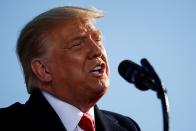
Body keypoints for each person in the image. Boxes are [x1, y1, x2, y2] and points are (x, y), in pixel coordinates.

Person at [0, 6, 140, 131]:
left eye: (97, 40)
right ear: (43, 69)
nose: (97, 51)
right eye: (77, 44)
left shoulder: (127, 126)